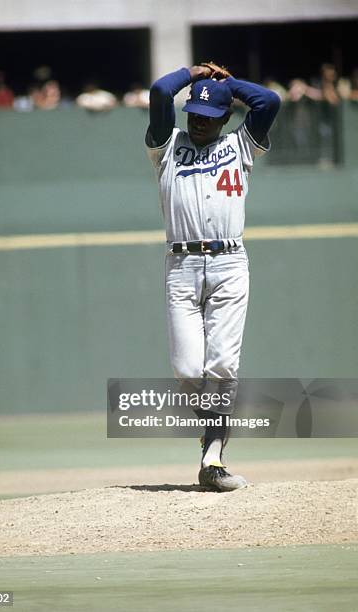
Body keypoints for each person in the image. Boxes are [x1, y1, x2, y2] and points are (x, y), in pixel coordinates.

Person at [145, 62, 280, 492]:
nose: (200, 123)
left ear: (225, 117)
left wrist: (227, 85)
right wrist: (194, 73)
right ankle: (214, 435)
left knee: (221, 365)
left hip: (228, 263)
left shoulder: (241, 145)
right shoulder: (166, 146)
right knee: (187, 370)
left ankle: (213, 457)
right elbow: (160, 92)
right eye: (196, 116)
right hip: (181, 265)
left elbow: (269, 101)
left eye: (209, 117)